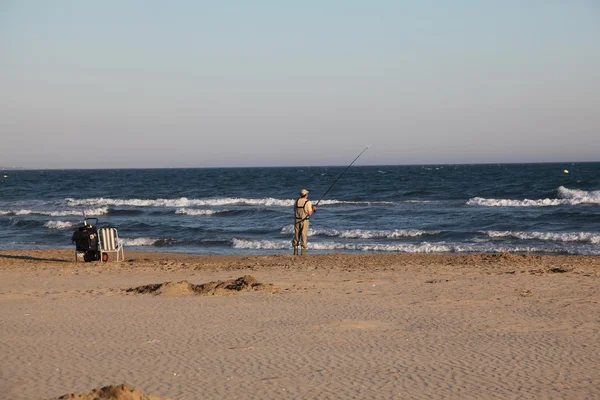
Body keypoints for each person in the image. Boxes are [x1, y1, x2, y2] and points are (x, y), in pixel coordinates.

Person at [292, 188, 316, 256]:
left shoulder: (296, 201)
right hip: (304, 220)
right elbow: (310, 213)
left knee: (296, 235)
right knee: (303, 235)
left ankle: (295, 251)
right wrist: (314, 209)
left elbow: (295, 210)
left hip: (296, 220)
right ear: (306, 195)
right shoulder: (308, 202)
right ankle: (303, 252)